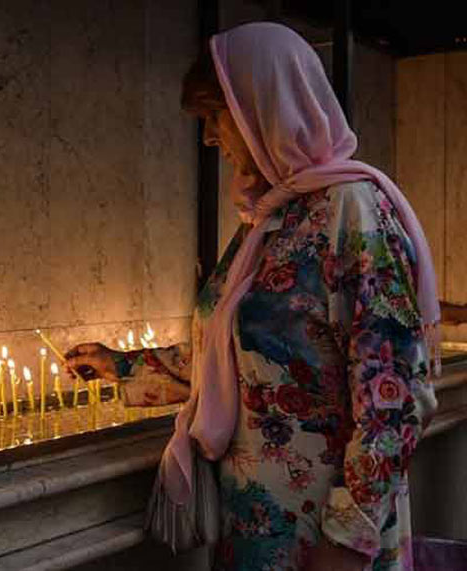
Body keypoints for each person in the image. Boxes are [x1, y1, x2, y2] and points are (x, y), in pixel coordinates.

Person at [65, 22, 439, 571]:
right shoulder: (271, 217)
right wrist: (120, 366)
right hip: (255, 528)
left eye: (217, 118)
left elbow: (394, 398)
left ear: (266, 106)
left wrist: (346, 539)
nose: (211, 138)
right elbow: (235, 355)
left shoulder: (352, 213)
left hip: (324, 539)